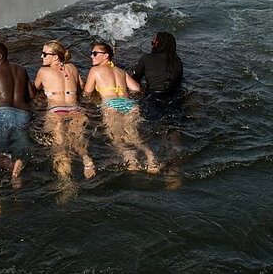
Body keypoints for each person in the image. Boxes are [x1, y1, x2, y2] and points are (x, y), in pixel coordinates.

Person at [83, 41, 159, 173]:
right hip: (130, 105)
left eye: (95, 53)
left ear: (106, 56)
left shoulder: (95, 70)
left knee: (117, 139)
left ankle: (132, 162)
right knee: (135, 137)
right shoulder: (121, 72)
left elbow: (87, 93)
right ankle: (151, 159)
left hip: (111, 105)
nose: (91, 56)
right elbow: (136, 89)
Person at [34, 40, 96, 196]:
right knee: (77, 140)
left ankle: (67, 183)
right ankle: (86, 159)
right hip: (76, 109)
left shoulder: (43, 71)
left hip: (56, 110)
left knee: (60, 147)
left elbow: (34, 89)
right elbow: (82, 89)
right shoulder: (73, 68)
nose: (42, 56)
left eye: (45, 54)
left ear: (55, 57)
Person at [0, 42, 33, 184]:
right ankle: (17, 175)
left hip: (3, 115)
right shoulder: (22, 69)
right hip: (24, 115)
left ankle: (11, 165)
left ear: (0, 56)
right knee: (19, 147)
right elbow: (32, 94)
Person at [131, 31, 184, 97]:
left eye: (152, 43)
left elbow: (135, 80)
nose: (151, 46)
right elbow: (178, 84)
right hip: (174, 96)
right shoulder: (178, 61)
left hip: (153, 97)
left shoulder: (146, 58)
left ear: (157, 44)